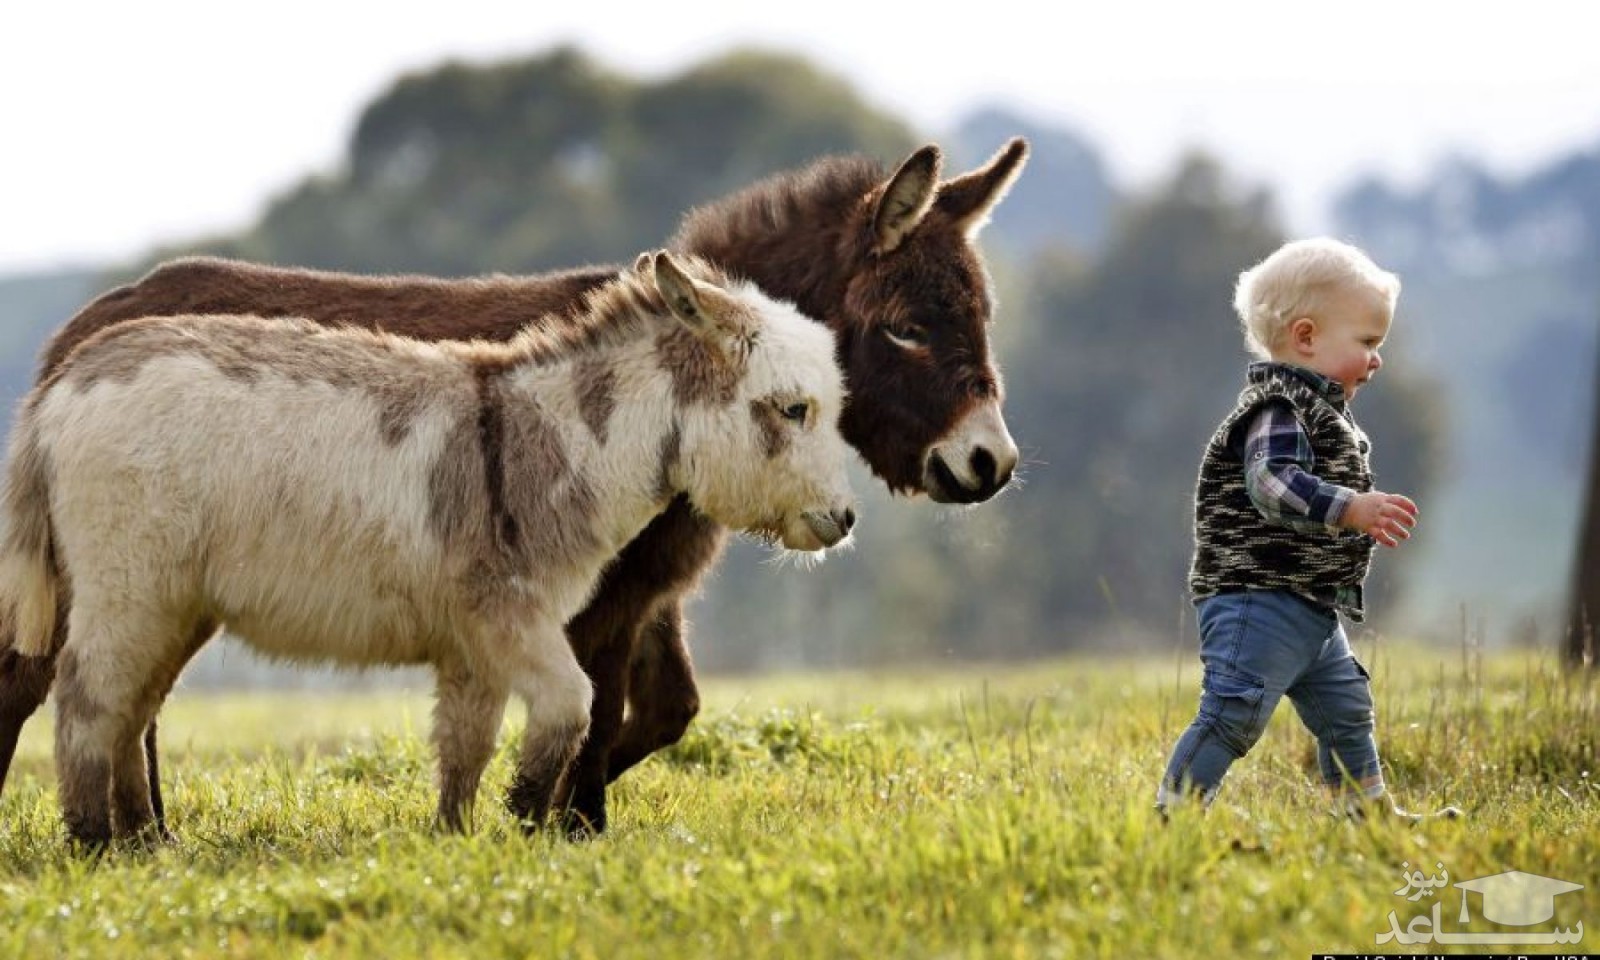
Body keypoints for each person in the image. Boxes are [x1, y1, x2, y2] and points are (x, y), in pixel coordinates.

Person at [1159, 237, 1457, 821]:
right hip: (1254, 596)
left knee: (1346, 708)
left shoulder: (1322, 410)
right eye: (1367, 342)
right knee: (1234, 712)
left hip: (1309, 605)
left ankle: (1365, 814)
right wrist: (1349, 506)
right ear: (1305, 337)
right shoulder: (1278, 407)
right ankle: (1174, 813)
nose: (1377, 358)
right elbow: (1270, 484)